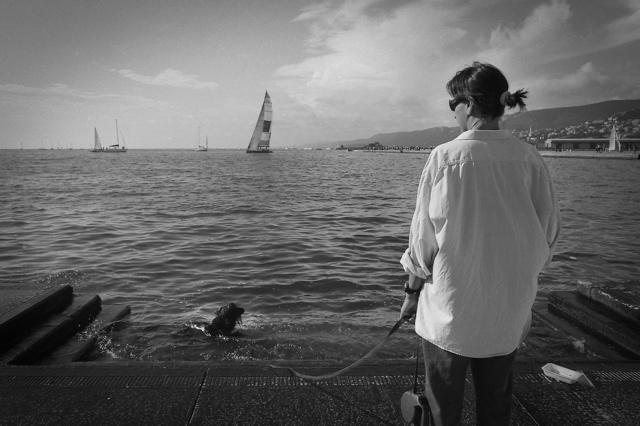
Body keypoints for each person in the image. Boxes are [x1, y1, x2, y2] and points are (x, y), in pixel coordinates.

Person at [399, 62, 561, 426]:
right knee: (496, 404)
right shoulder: (529, 158)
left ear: (469, 103)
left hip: (451, 309)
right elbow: (548, 234)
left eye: (453, 103)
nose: (452, 111)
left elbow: (423, 240)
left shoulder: (445, 157)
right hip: (508, 309)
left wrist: (411, 293)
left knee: (443, 409)